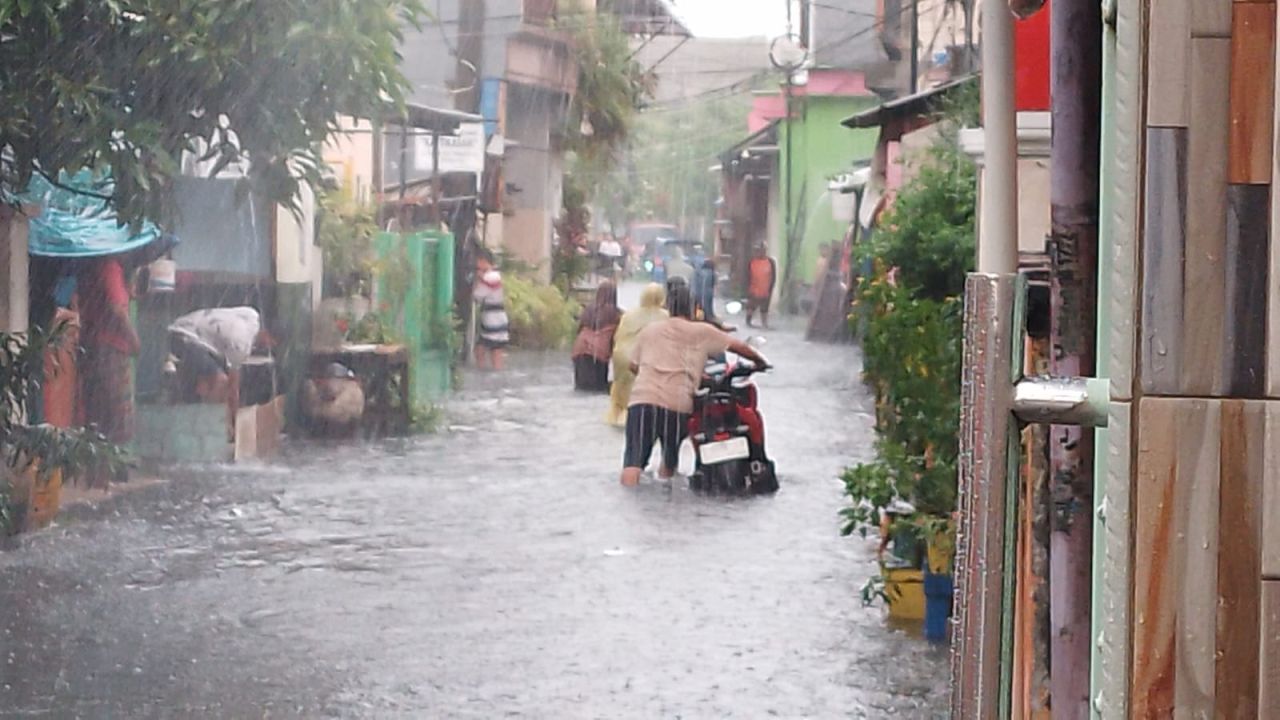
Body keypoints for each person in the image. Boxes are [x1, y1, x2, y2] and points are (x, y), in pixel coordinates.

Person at [620, 283, 768, 487]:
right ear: (692, 308)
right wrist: (760, 363)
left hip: (642, 402)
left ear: (668, 307)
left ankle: (629, 502)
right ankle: (665, 495)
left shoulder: (650, 331)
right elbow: (738, 347)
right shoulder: (703, 331)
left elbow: (632, 365)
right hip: (677, 405)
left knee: (633, 463)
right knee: (669, 461)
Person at [78, 256, 141, 482]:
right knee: (113, 411)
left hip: (100, 347)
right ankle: (106, 469)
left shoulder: (107, 269)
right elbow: (116, 309)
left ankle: (103, 468)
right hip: (109, 349)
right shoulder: (110, 267)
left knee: (101, 411)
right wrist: (134, 339)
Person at [164, 306, 263, 436]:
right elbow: (233, 388)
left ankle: (192, 401)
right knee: (220, 383)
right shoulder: (242, 343)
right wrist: (235, 422)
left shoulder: (252, 316)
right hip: (186, 338)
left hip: (183, 330)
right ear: (268, 337)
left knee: (208, 382)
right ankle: (213, 427)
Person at [605, 282, 667, 426]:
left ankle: (617, 416)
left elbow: (618, 336)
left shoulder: (628, 315)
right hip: (644, 359)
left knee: (621, 392)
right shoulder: (664, 316)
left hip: (621, 357)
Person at [571, 281, 622, 393]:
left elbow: (579, 329)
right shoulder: (616, 314)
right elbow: (619, 339)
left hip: (579, 350)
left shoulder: (588, 310)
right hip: (598, 354)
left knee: (580, 388)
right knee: (599, 389)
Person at [472, 253, 510, 370]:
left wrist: (478, 280)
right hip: (498, 317)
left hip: (492, 318)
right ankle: (493, 373)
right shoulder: (495, 275)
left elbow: (477, 296)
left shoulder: (490, 277)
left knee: (485, 350)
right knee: (493, 350)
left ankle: (484, 372)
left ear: (484, 261)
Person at [746, 245, 777, 329]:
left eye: (761, 250)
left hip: (765, 289)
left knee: (764, 307)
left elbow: (773, 276)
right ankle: (748, 321)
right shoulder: (752, 262)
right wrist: (748, 288)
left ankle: (764, 323)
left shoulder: (770, 262)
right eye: (757, 251)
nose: (759, 253)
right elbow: (747, 276)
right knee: (751, 306)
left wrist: (770, 287)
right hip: (753, 288)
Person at [692, 258, 718, 323]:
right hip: (708, 294)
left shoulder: (697, 272)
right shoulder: (712, 273)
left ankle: (696, 316)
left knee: (697, 306)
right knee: (708, 307)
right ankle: (708, 317)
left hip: (697, 293)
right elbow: (714, 284)